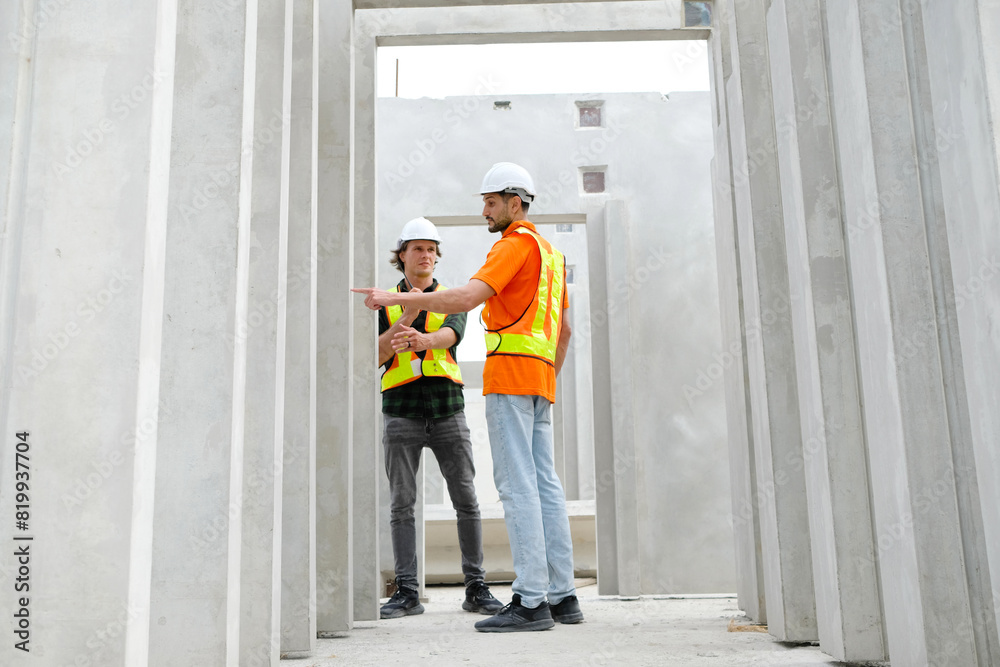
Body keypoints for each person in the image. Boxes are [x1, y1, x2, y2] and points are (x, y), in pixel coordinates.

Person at [354, 163, 583, 633]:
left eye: (490, 201)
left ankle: (531, 600)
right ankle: (563, 597)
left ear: (514, 202)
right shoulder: (554, 257)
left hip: (510, 378)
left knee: (517, 488)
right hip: (541, 380)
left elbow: (465, 300)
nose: (484, 211)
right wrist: (548, 380)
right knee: (546, 487)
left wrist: (393, 299)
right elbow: (565, 333)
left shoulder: (514, 245)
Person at [375, 217, 503, 620]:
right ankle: (407, 592)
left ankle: (476, 588)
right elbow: (376, 354)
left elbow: (452, 335)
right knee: (402, 504)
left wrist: (424, 339)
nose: (426, 255)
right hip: (401, 411)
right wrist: (406, 315)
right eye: (417, 248)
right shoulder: (383, 302)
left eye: (431, 248)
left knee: (466, 500)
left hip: (448, 408)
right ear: (402, 256)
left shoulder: (451, 297)